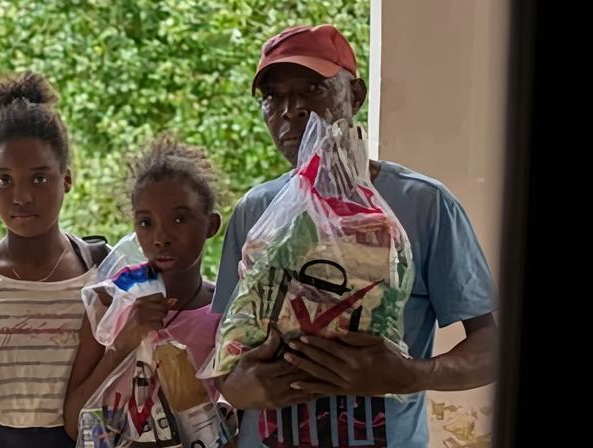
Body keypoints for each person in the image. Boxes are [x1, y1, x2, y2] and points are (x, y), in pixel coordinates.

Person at [212, 24, 498, 447]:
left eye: (312, 89)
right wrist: (239, 389)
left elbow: (490, 350)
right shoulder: (257, 212)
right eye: (273, 97)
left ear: (356, 95)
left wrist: (410, 375)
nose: (290, 110)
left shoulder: (424, 206)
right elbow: (224, 354)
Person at [0, 72, 103, 448]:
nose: (21, 197)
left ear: (66, 179)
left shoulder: (100, 272)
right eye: (4, 179)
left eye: (39, 179)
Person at [63, 136, 224, 440]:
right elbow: (74, 422)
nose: (161, 237)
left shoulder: (223, 313)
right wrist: (124, 343)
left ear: (211, 226)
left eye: (179, 219)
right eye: (146, 223)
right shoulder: (109, 303)